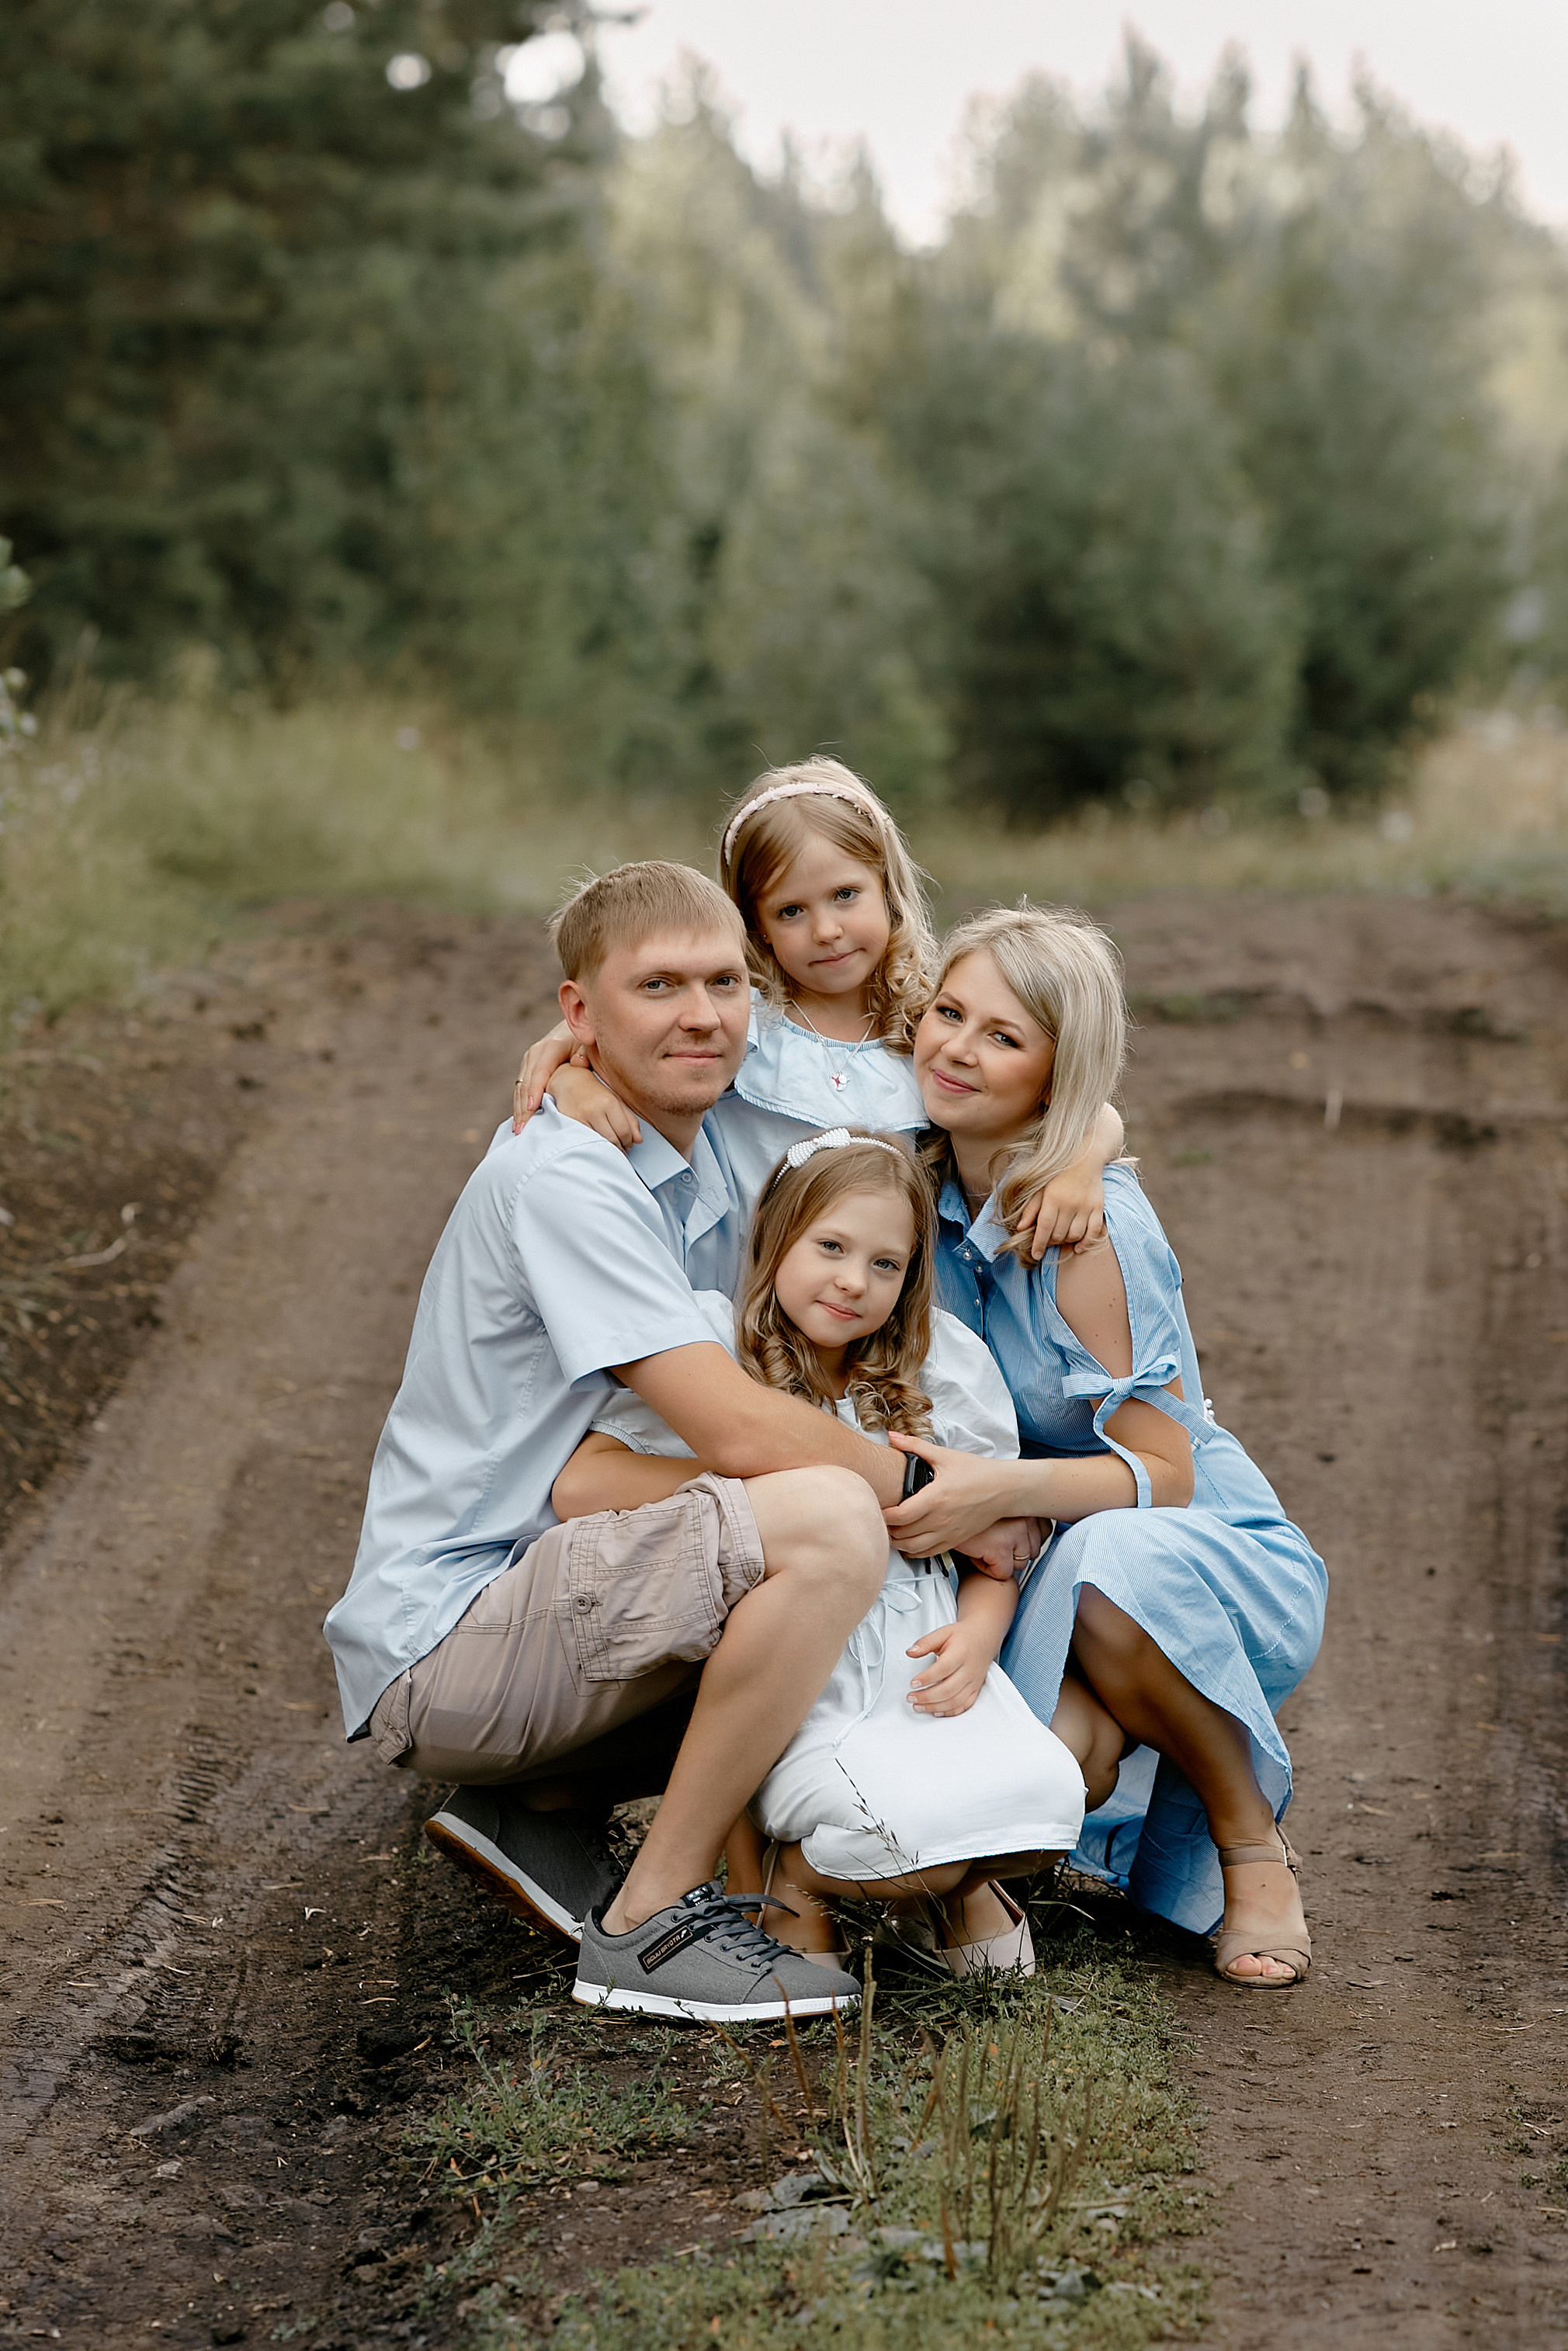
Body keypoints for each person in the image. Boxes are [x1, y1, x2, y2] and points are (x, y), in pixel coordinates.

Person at [325, 861, 1029, 2024]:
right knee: (829, 1518)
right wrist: (936, 1487)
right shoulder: (568, 1173)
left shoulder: (698, 1159)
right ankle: (648, 1924)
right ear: (578, 1013)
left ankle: (547, 1807)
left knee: (814, 1536)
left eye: (722, 983)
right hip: (453, 1638)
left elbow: (954, 1096)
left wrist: (1093, 1124)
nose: (700, 1013)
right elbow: (728, 1423)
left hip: (550, 1605)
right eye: (658, 986)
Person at [883, 905, 1328, 1989]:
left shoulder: (1090, 1231)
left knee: (1104, 1566)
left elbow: (1163, 1477)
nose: (956, 1047)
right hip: (1037, 1548)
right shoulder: (911, 1185)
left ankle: (1248, 1846)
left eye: (1004, 1037)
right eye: (950, 1013)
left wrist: (1001, 1490)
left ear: (1054, 1072)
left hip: (1184, 1550)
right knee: (1045, 1762)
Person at [550, 1128, 1090, 1977]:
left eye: (885, 1264)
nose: (852, 1280)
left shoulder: (941, 1364)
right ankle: (788, 1873)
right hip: (794, 1671)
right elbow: (583, 1482)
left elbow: (996, 1553)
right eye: (830, 1247)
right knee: (902, 1828)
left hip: (916, 1659)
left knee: (1045, 1803)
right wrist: (767, 1472)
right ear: (776, 1239)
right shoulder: (708, 1343)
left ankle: (939, 1883)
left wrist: (981, 1633)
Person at [514, 756, 1123, 1250]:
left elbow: (1076, 1100)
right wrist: (573, 1076)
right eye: (791, 911)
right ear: (757, 927)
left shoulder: (925, 1022)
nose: (826, 930)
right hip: (752, 1287)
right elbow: (621, 1039)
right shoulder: (742, 1020)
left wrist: (1083, 1161)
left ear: (886, 888)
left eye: (845, 895)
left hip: (884, 1299)